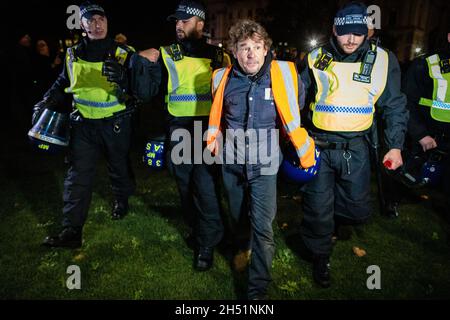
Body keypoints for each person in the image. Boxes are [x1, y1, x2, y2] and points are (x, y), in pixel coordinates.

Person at [299, 2, 408, 288]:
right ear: (334, 29)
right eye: (345, 33)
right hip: (319, 146)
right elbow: (298, 100)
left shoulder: (384, 60)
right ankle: (321, 255)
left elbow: (395, 105)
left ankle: (335, 224)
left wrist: (394, 145)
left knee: (356, 209)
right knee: (317, 206)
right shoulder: (314, 58)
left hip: (356, 148)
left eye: (358, 33)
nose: (351, 40)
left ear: (367, 31)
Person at [34, 2, 161, 248]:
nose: (97, 23)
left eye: (101, 19)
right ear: (82, 25)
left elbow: (142, 90)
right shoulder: (72, 54)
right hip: (82, 127)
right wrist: (46, 100)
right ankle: (71, 231)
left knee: (119, 169)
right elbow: (63, 83)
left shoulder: (125, 53)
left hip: (115, 125)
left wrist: (125, 79)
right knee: (77, 177)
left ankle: (121, 200)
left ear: (107, 22)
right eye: (90, 20)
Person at [207, 19, 315, 299]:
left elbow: (297, 104)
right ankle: (242, 246)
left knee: (263, 228)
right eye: (244, 48)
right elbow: (218, 117)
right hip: (231, 162)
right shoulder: (221, 78)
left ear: (267, 49)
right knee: (238, 216)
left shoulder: (286, 75)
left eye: (257, 47)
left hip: (266, 164)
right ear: (234, 51)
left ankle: (257, 290)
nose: (251, 54)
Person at [144, 0, 231, 271]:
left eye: (185, 20)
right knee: (184, 188)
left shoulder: (220, 57)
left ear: (200, 24)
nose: (179, 25)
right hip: (179, 130)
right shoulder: (167, 53)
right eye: (177, 21)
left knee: (205, 188)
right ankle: (199, 230)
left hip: (208, 132)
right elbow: (150, 88)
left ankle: (207, 244)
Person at [402, 30, 450, 219]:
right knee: (409, 184)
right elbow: (405, 101)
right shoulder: (426, 64)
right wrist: (420, 134)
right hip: (428, 142)